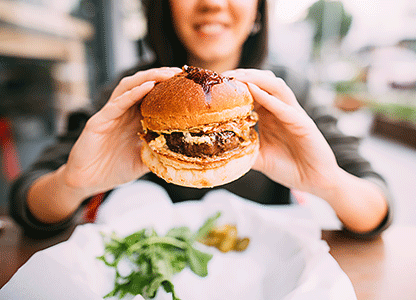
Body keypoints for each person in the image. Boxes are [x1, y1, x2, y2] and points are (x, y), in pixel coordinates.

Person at [9, 0, 391, 238]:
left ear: (258, 8)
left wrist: (329, 184)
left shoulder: (286, 93)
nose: (211, 3)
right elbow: (26, 204)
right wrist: (73, 184)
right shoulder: (130, 95)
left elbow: (378, 207)